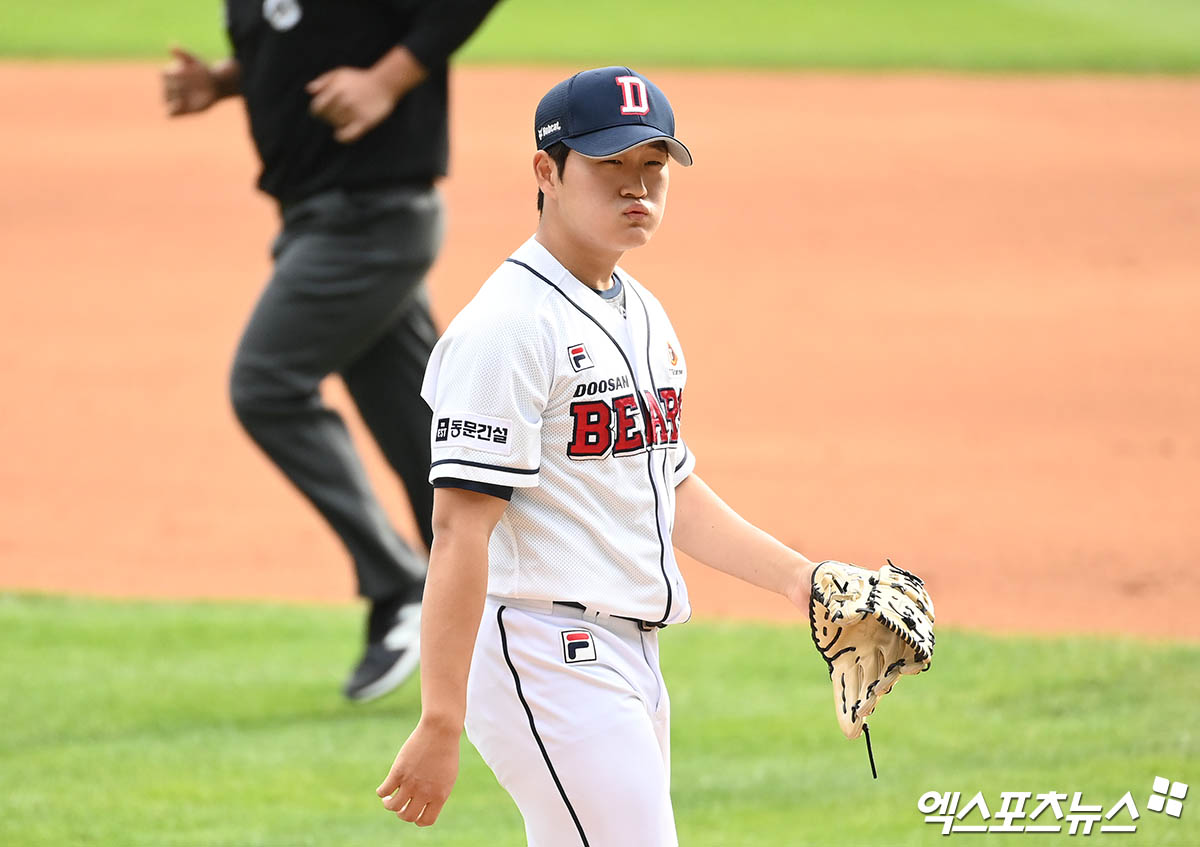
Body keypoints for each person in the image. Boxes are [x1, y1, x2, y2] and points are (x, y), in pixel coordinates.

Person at [373, 66, 835, 845]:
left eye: (653, 168)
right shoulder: (509, 328)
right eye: (610, 166)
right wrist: (440, 719)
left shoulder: (638, 309)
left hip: (625, 656)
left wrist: (801, 577)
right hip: (542, 654)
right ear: (547, 172)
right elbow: (459, 532)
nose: (638, 190)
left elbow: (667, 484)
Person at [161, 0, 502, 702]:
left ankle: (401, 584)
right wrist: (225, 82)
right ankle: (505, 610)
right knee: (430, 430)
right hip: (327, 216)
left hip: (371, 218)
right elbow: (302, 41)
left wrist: (388, 78)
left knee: (266, 384)